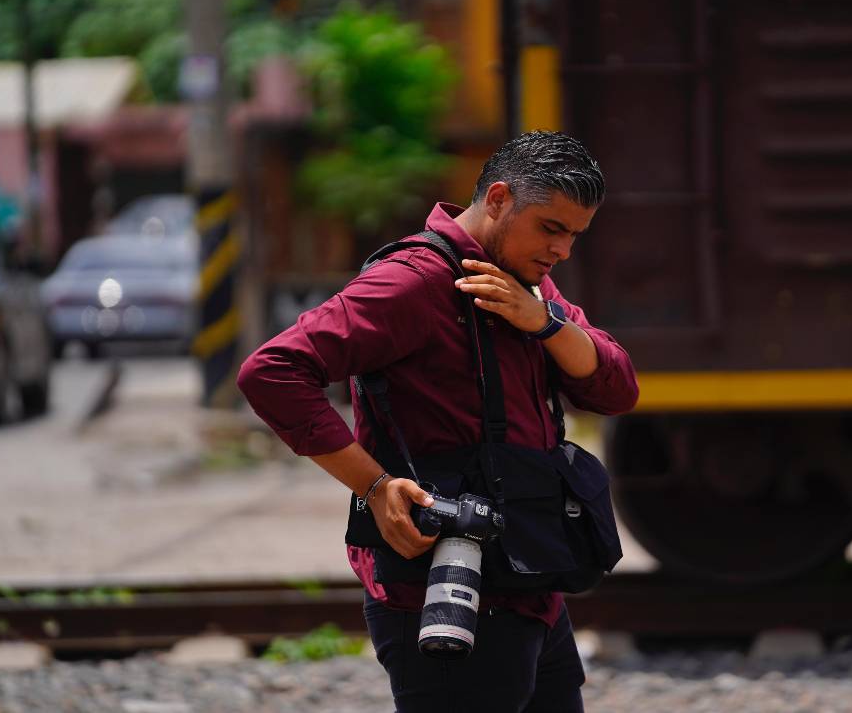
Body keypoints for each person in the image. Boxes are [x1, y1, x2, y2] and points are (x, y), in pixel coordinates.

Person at [237, 131, 638, 712]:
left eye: (575, 235)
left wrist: (545, 322)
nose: (563, 251)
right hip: (447, 593)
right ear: (498, 198)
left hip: (530, 580)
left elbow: (617, 388)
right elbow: (271, 371)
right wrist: (374, 486)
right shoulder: (415, 280)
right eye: (551, 228)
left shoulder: (527, 282)